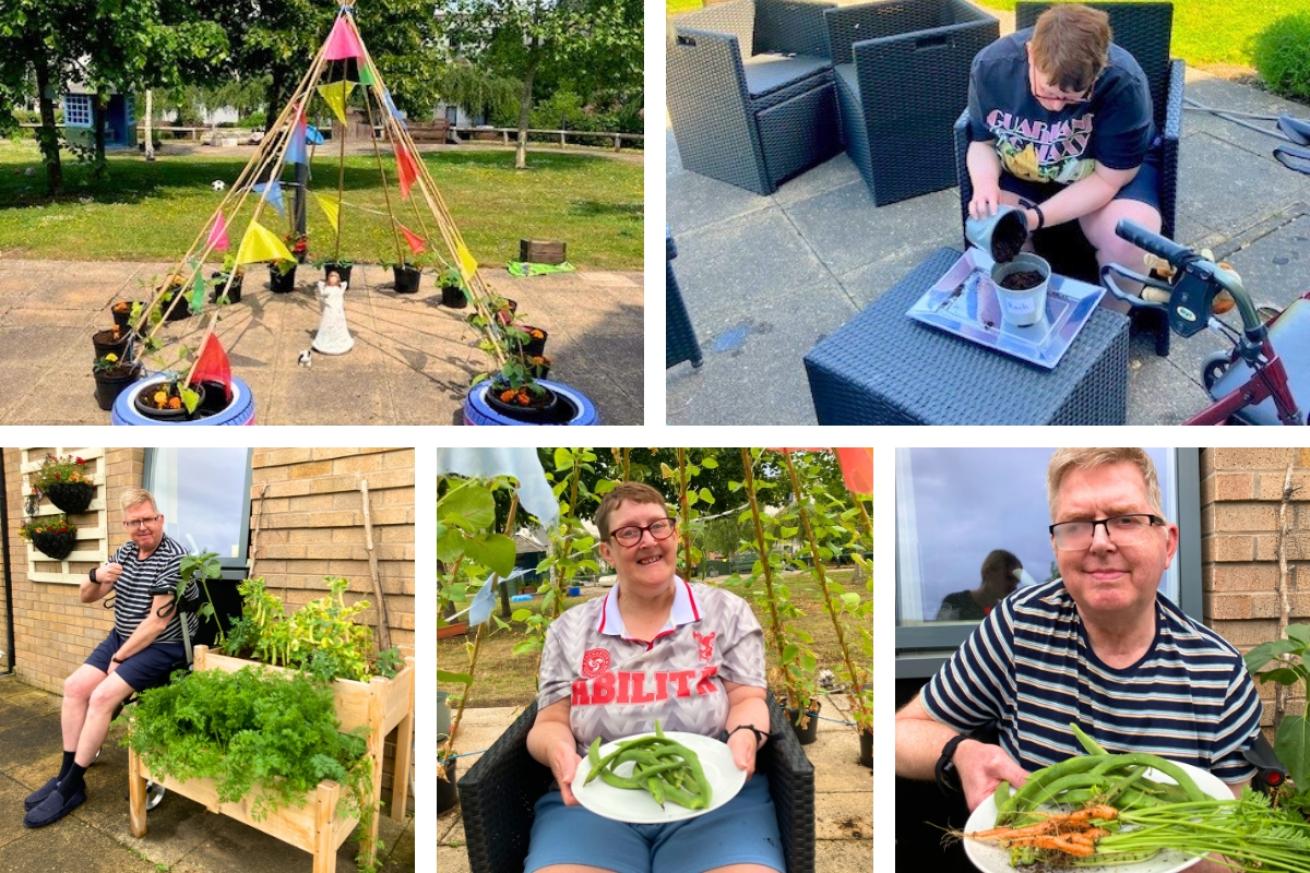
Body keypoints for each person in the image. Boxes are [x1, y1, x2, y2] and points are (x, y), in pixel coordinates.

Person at [897, 448, 1262, 824]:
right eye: (1076, 524)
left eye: (1125, 519)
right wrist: (959, 751)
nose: (1100, 542)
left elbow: (1234, 839)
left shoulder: (1218, 672)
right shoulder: (1019, 626)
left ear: (1167, 544)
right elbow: (900, 735)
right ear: (1056, 546)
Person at [523, 482, 784, 873]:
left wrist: (745, 735)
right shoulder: (570, 629)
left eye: (658, 526)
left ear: (674, 535)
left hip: (714, 796)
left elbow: (747, 697)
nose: (648, 541)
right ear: (607, 552)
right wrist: (560, 754)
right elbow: (551, 721)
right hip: (593, 802)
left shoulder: (726, 612)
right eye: (629, 532)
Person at [23, 489, 194, 828]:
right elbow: (87, 597)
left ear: (160, 520)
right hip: (122, 637)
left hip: (163, 646)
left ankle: (71, 787)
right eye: (134, 522)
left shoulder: (174, 557)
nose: (142, 527)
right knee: (74, 688)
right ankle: (65, 776)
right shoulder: (126, 552)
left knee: (101, 696)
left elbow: (157, 622)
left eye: (148, 519)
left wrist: (119, 657)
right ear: (125, 525)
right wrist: (93, 576)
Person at [965, 5, 1161, 287]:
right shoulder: (991, 68)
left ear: (1100, 70)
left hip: (1103, 176)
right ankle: (1030, 309)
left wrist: (1034, 218)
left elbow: (1110, 179)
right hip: (1026, 171)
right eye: (1046, 92)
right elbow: (982, 143)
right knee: (992, 234)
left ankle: (1109, 325)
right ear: (1031, 53)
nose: (1055, 106)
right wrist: (985, 185)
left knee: (1129, 240)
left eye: (1071, 100)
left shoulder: (1124, 83)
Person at [935, 549, 1022, 622]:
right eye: (1009, 577)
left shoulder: (1005, 612)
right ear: (988, 572)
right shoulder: (955, 602)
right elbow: (939, 638)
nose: (1014, 586)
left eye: (1016, 582)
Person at [313, 269, 354, 354]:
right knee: (328, 324)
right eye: (331, 277)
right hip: (329, 311)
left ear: (338, 280)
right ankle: (326, 341)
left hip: (337, 311)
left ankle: (338, 341)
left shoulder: (339, 289)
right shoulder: (327, 289)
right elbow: (323, 297)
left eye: (335, 277)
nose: (332, 279)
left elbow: (343, 287)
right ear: (328, 279)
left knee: (338, 325)